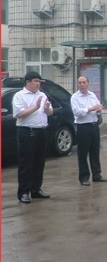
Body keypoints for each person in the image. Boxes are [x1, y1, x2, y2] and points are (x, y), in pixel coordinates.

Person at [13, 71, 54, 203]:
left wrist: (47, 108)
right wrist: (36, 107)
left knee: (39, 162)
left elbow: (50, 112)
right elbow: (19, 114)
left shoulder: (42, 95)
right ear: (28, 82)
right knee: (26, 163)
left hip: (41, 131)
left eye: (39, 81)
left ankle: (36, 189)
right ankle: (24, 192)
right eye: (35, 81)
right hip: (27, 132)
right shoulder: (20, 96)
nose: (38, 84)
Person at [71, 75, 107, 186]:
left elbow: (98, 108)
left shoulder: (92, 95)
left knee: (95, 151)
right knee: (83, 153)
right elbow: (77, 112)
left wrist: (99, 110)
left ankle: (97, 174)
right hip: (83, 127)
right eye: (80, 83)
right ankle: (84, 177)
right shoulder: (75, 97)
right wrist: (91, 109)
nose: (82, 85)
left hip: (94, 125)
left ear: (88, 83)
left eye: (84, 82)